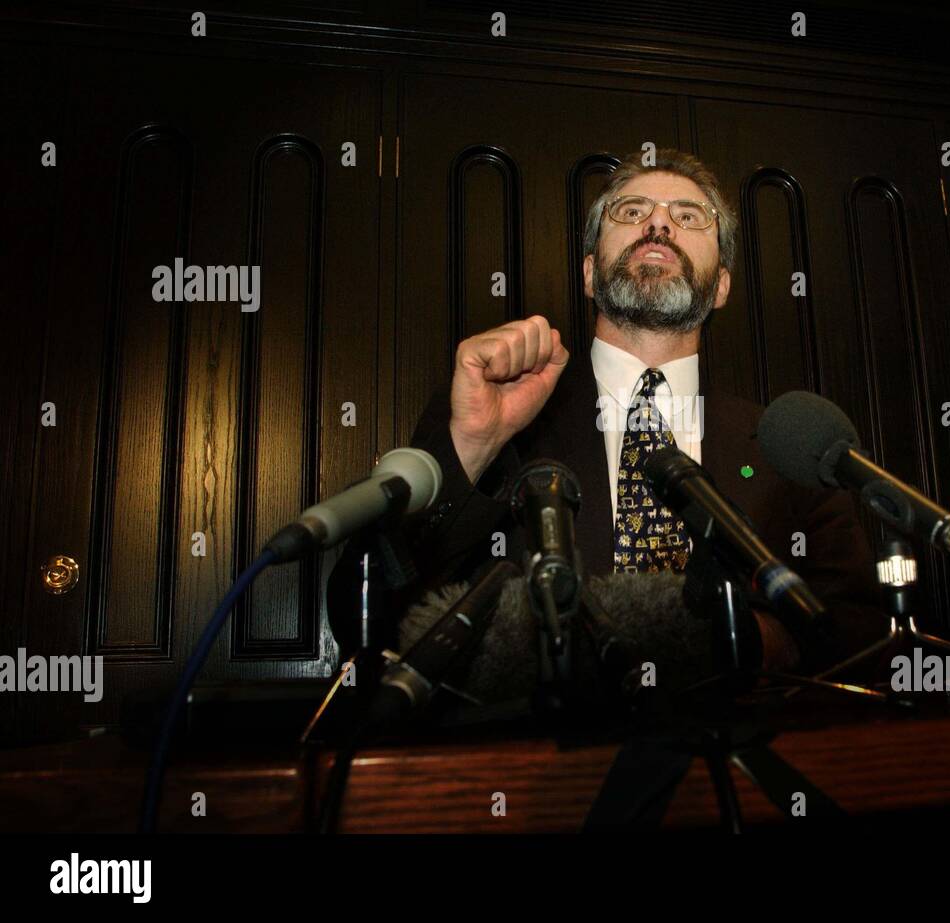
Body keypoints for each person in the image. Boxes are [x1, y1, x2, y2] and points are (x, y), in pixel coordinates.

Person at [328, 149, 887, 676]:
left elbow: (859, 633)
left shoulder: (787, 440)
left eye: (690, 216)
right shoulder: (494, 411)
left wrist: (746, 645)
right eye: (632, 211)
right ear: (591, 273)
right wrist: (472, 446)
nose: (659, 225)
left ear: (720, 288)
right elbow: (370, 618)